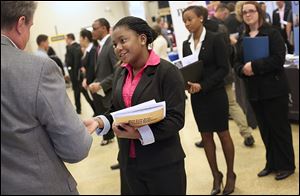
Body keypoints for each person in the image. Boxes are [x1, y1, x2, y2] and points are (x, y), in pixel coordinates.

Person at [84, 16, 187, 195]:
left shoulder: (167, 72)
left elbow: (176, 119)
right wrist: (100, 121)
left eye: (123, 41)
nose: (118, 48)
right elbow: (117, 109)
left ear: (142, 38)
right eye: (115, 44)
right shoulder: (120, 72)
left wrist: (140, 133)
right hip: (129, 163)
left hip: (162, 163)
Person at [1, 1, 93, 194]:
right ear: (20, 23)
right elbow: (75, 148)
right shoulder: (37, 69)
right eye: (31, 26)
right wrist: (80, 131)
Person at [235, 1, 295, 181]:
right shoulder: (242, 37)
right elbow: (236, 62)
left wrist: (254, 65)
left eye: (251, 11)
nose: (248, 14)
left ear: (259, 12)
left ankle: (286, 165)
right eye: (244, 12)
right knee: (265, 130)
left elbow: (278, 58)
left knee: (279, 129)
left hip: (274, 90)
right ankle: (272, 163)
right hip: (254, 91)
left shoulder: (272, 33)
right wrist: (242, 69)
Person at [182, 6, 236, 195]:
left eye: (190, 19)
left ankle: (230, 174)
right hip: (197, 98)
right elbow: (189, 68)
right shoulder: (186, 44)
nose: (187, 24)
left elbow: (224, 69)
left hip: (215, 94)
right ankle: (216, 175)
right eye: (185, 21)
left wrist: (203, 85)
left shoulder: (215, 39)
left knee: (223, 134)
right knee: (206, 137)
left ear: (201, 18)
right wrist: (187, 83)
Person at [89, 18, 117, 146]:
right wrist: (95, 82)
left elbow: (117, 70)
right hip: (103, 93)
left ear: (104, 28)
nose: (92, 32)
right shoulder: (100, 46)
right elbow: (101, 71)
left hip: (112, 93)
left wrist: (101, 84)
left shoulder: (111, 44)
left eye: (95, 28)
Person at [79, 29, 97, 115]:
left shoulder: (92, 50)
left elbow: (92, 67)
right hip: (89, 80)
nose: (79, 41)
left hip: (94, 81)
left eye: (80, 39)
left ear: (85, 38)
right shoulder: (86, 50)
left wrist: (86, 80)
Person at [65, 33, 83, 114]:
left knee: (77, 91)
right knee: (80, 91)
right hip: (75, 73)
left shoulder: (73, 47)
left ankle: (78, 109)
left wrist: (75, 75)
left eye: (66, 39)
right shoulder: (75, 46)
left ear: (70, 38)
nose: (65, 41)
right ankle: (78, 107)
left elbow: (76, 61)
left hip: (75, 74)